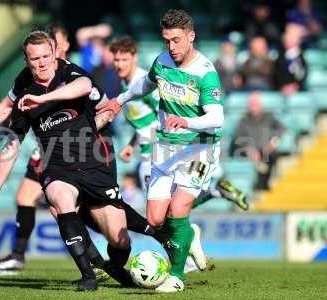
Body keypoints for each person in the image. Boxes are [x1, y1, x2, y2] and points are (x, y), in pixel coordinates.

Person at [0, 30, 133, 291]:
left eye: (46, 56)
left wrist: (43, 99)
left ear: (56, 53)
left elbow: (86, 88)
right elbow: (12, 141)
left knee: (120, 240)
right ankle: (88, 275)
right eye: (34, 59)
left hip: (92, 158)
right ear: (26, 60)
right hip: (57, 166)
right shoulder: (24, 88)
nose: (41, 63)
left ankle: (111, 266)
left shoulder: (70, 72)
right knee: (59, 199)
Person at [97, 9, 227, 292]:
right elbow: (144, 84)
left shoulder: (205, 73)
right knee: (156, 219)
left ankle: (177, 277)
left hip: (198, 148)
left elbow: (217, 117)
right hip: (166, 148)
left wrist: (188, 121)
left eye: (177, 40)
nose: (172, 47)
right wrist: (119, 100)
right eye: (167, 40)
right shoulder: (162, 61)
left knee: (179, 208)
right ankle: (189, 235)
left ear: (191, 37)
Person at [111, 36, 248, 213]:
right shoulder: (126, 85)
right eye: (116, 59)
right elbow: (145, 122)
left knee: (168, 210)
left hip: (161, 152)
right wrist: (131, 144)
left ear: (135, 58)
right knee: (167, 210)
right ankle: (215, 192)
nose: (119, 64)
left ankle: (210, 200)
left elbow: (163, 115)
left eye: (124, 59)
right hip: (148, 152)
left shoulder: (147, 83)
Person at [230, 92, 284, 190]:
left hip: (266, 151)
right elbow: (238, 136)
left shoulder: (269, 117)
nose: (253, 106)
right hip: (248, 153)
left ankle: (266, 186)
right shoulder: (244, 119)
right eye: (251, 104)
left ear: (261, 104)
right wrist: (248, 149)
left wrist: (273, 143)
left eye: (255, 104)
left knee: (271, 159)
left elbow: (280, 129)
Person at [274, 26, 308, 96]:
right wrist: (284, 86)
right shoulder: (280, 57)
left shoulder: (302, 57)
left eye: (292, 38)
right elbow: (277, 73)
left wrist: (296, 86)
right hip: (283, 89)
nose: (289, 41)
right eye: (287, 38)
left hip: (299, 89)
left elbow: (303, 73)